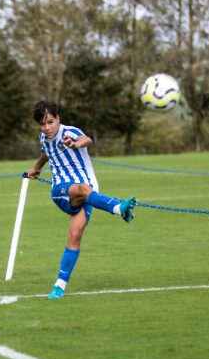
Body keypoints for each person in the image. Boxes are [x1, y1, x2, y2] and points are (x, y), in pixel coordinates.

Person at [26, 100, 136, 299]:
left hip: (88, 194)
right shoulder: (44, 137)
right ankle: (118, 208)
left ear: (58, 118)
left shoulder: (70, 132)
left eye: (50, 122)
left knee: (75, 236)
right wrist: (36, 167)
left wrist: (75, 144)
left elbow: (87, 140)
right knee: (83, 189)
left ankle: (59, 286)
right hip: (61, 190)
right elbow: (46, 152)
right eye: (42, 124)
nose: (47, 128)